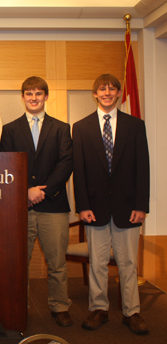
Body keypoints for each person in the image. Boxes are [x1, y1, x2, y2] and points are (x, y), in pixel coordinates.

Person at [73, 74, 150, 335]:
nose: (106, 92)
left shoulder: (135, 125)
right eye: (101, 89)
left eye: (112, 88)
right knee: (97, 262)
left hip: (128, 208)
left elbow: (143, 168)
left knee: (128, 263)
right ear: (94, 94)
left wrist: (142, 205)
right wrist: (82, 205)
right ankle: (98, 309)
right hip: (94, 207)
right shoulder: (81, 127)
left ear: (118, 93)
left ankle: (132, 312)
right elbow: (79, 170)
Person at [1, 76, 73, 327]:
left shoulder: (62, 128)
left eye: (38, 93)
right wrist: (25, 191)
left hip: (53, 205)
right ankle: (19, 306)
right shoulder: (10, 129)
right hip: (20, 208)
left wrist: (42, 191)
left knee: (57, 263)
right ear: (22, 97)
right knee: (19, 263)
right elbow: (6, 166)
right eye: (29, 93)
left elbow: (66, 163)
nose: (33, 98)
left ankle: (60, 306)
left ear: (45, 96)